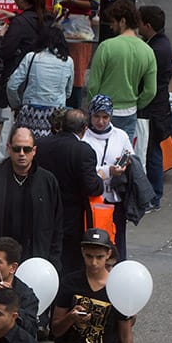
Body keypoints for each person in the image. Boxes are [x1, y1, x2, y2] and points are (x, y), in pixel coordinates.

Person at [34, 109, 103, 274]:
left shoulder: (41, 145)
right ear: (84, 129)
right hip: (71, 219)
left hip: (41, 212)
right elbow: (92, 187)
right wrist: (100, 177)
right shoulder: (83, 151)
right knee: (68, 265)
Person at [0, 127, 63, 268]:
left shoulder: (47, 180)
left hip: (35, 258)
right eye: (16, 149)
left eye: (26, 149)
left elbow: (57, 224)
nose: (21, 154)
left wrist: (53, 259)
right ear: (8, 148)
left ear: (34, 151)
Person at [87, 0, 157, 141]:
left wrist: (94, 108)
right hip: (129, 112)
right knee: (123, 156)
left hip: (102, 113)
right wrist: (136, 104)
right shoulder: (148, 51)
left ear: (122, 21)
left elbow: (93, 85)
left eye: (113, 22)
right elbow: (151, 90)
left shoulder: (106, 47)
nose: (111, 26)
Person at [82, 96, 133, 259]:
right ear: (90, 115)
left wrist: (124, 163)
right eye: (97, 116)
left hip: (115, 199)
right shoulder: (84, 138)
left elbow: (129, 154)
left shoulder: (121, 136)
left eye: (105, 117)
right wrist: (108, 171)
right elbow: (84, 170)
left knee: (116, 240)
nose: (101, 121)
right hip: (93, 199)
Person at [6, 25, 74, 138]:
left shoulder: (31, 57)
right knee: (51, 150)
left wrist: (16, 104)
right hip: (56, 115)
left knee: (26, 146)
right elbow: (68, 92)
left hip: (29, 112)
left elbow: (12, 85)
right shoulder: (68, 61)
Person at [137, 5, 172, 211]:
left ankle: (154, 196)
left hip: (154, 109)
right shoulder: (160, 44)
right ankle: (153, 195)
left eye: (140, 22)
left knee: (151, 152)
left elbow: (148, 82)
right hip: (159, 107)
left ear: (147, 25)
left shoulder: (155, 50)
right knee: (152, 151)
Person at [58, 0, 99, 107]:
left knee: (77, 73)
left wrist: (72, 2)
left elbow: (95, 3)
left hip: (80, 27)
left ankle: (75, 107)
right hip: (67, 23)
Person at [0, 0, 47, 110]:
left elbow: (4, 52)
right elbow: (31, 22)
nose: (14, 1)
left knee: (12, 120)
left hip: (19, 79)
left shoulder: (19, 23)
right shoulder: (47, 18)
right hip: (42, 80)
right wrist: (13, 16)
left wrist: (1, 35)